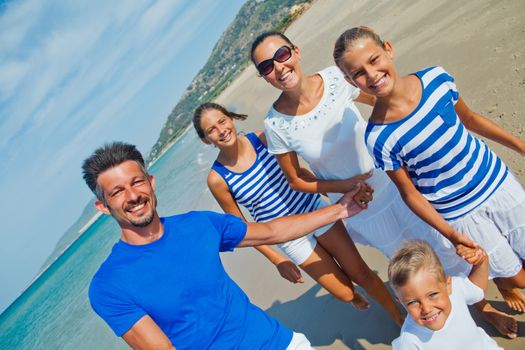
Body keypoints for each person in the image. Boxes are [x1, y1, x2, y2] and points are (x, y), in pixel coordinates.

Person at [332, 26, 525, 338]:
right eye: (358, 73)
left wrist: (520, 145)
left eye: (374, 59)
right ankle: (507, 288)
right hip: (459, 213)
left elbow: (471, 119)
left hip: (498, 183)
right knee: (517, 277)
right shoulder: (378, 137)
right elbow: (410, 193)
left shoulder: (436, 79)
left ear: (388, 49)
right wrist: (451, 234)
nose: (372, 74)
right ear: (351, 81)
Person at [82, 141, 369, 349]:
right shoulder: (109, 286)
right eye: (117, 191)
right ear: (103, 206)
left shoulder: (198, 225)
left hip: (280, 343)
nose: (132, 196)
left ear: (151, 182)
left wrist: (340, 210)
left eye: (136, 182)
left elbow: (271, 231)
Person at [250, 31, 469, 275]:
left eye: (282, 54)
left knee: (441, 244)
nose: (279, 67)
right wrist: (345, 186)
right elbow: (296, 180)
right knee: (407, 262)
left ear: (296, 51)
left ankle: (478, 302)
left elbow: (383, 103)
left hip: (397, 183)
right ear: (264, 77)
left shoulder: (336, 78)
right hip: (361, 206)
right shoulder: (275, 124)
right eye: (267, 66)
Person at [193, 102, 404, 324]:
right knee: (344, 293)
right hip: (289, 237)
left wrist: (341, 188)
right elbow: (243, 230)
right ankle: (353, 296)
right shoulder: (217, 179)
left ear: (231, 119)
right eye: (211, 130)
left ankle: (398, 316)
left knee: (360, 272)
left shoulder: (263, 139)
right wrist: (277, 260)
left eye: (222, 121)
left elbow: (300, 174)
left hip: (314, 212)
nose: (221, 130)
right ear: (206, 140)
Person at [388, 240, 502, 349]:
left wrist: (481, 261)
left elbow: (477, 290)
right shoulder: (409, 340)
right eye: (412, 302)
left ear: (448, 286)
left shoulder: (456, 289)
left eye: (432, 295)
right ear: (400, 301)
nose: (427, 309)